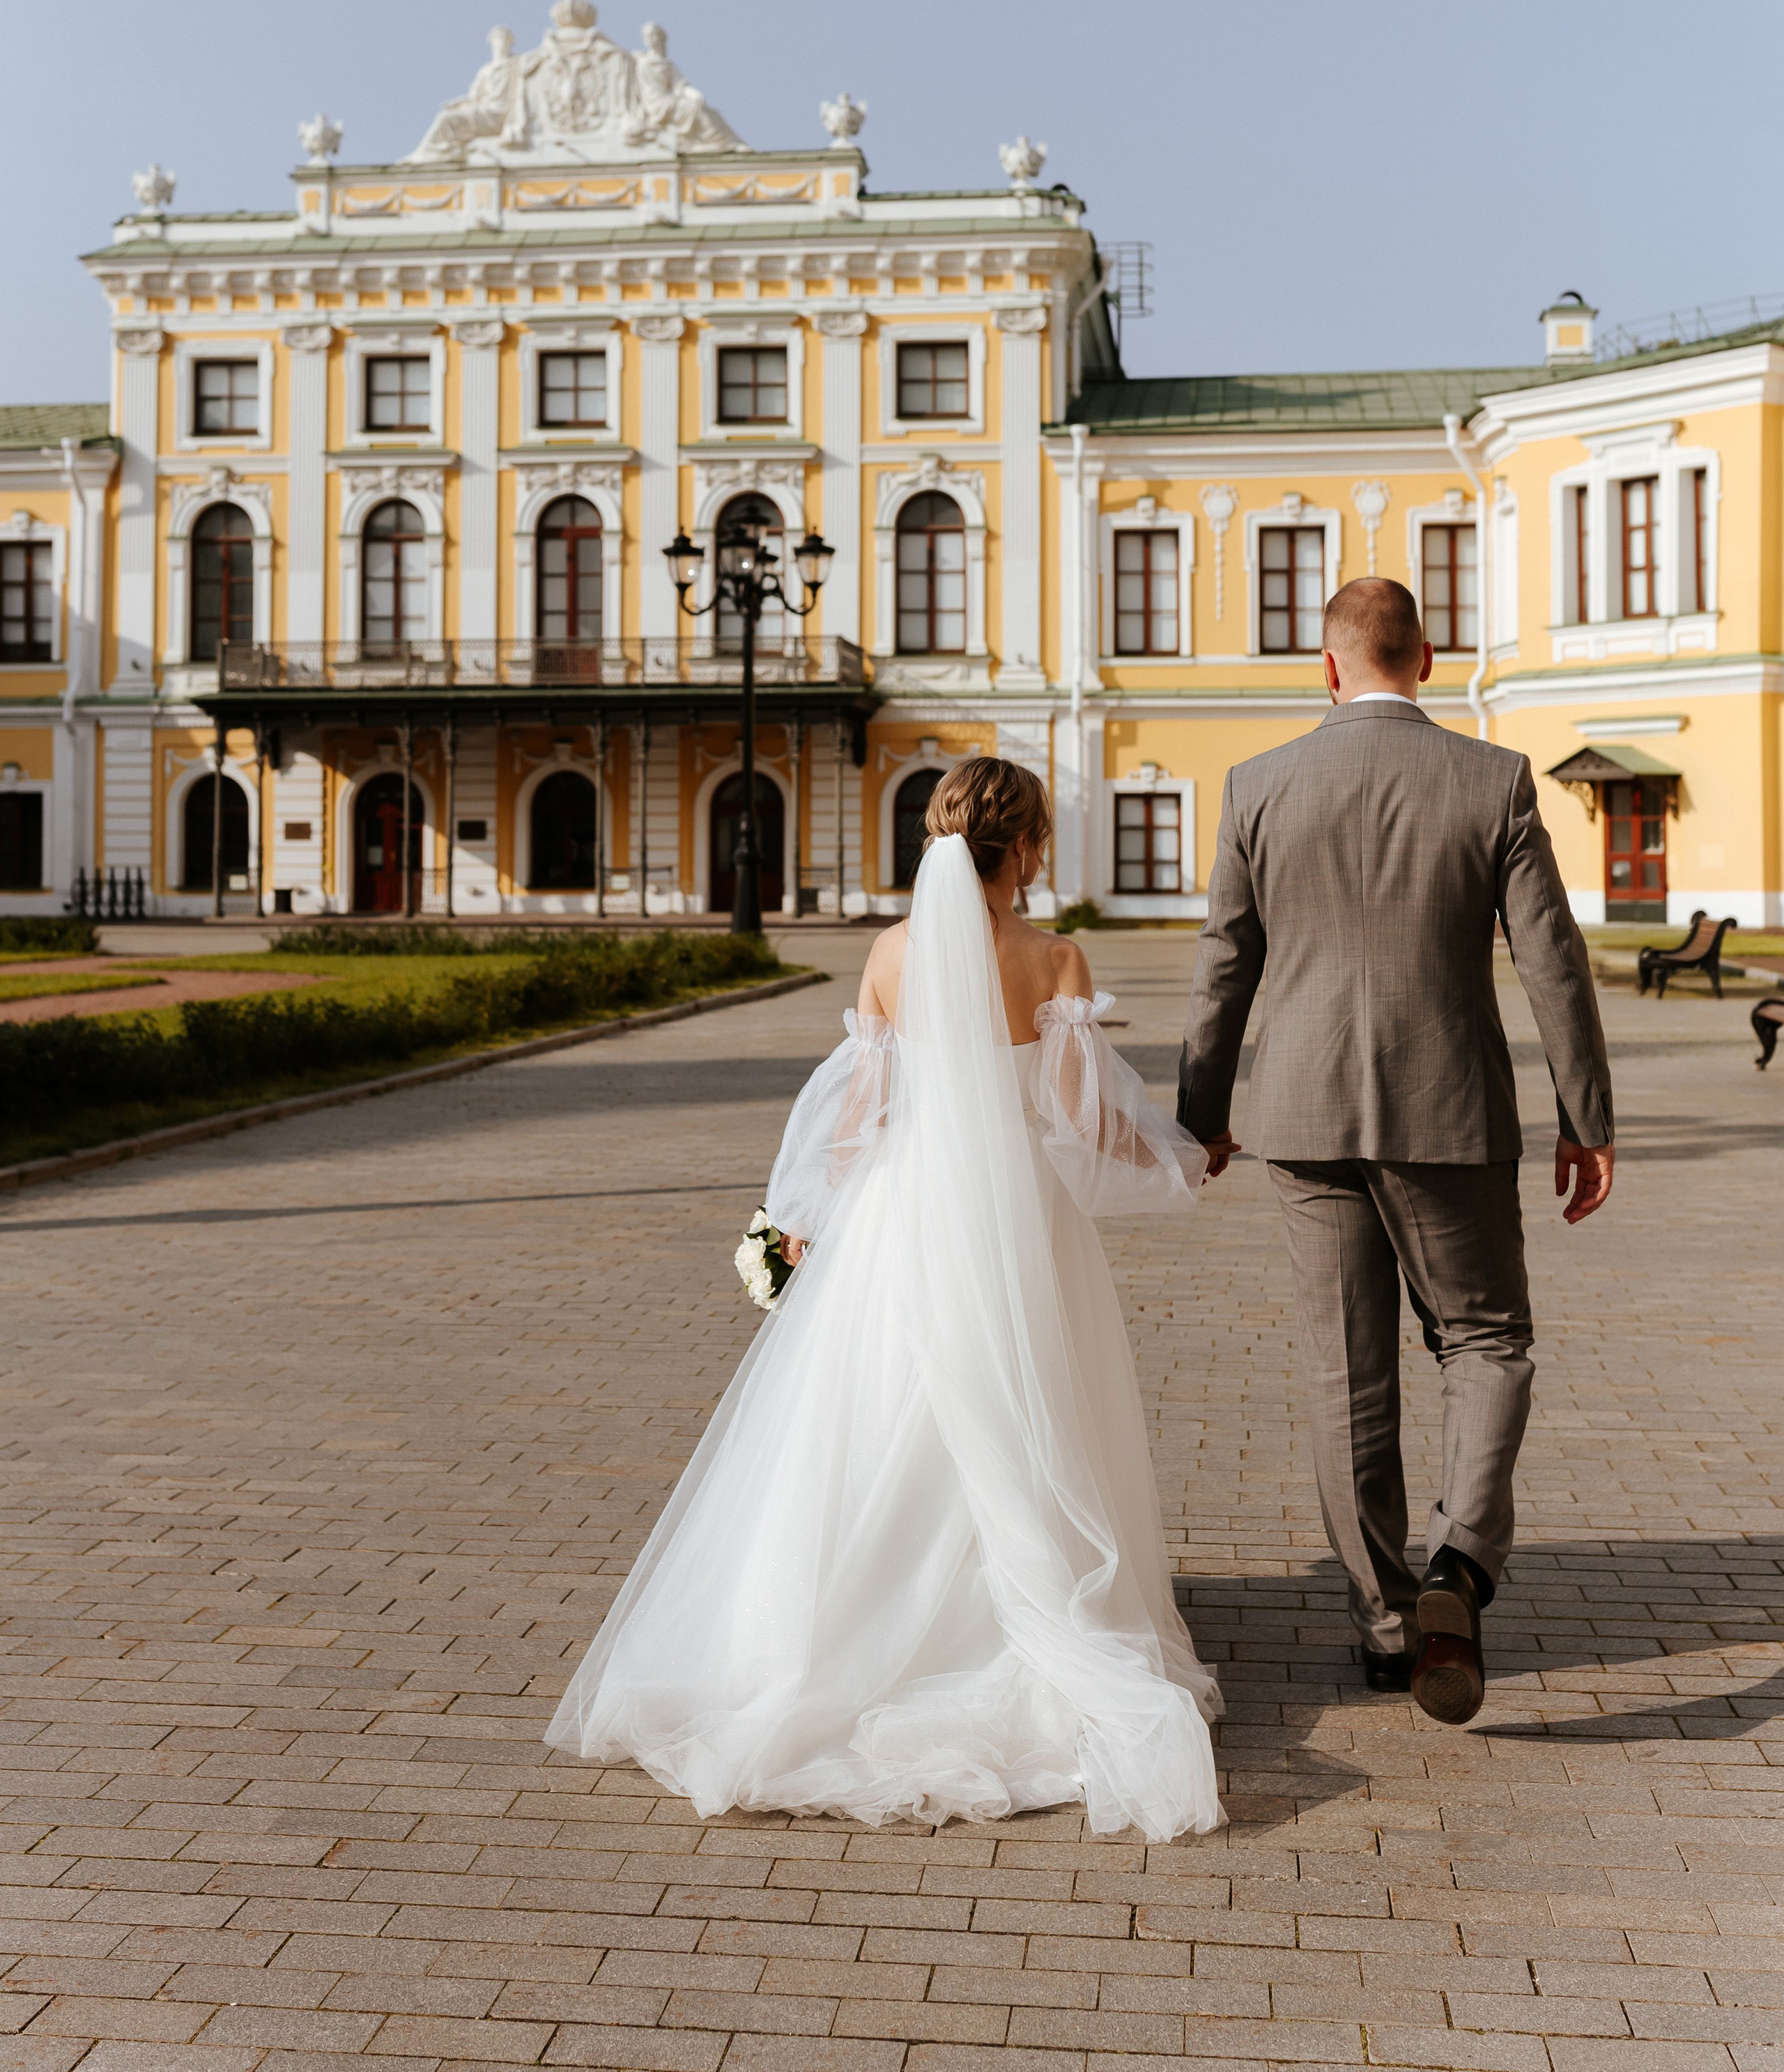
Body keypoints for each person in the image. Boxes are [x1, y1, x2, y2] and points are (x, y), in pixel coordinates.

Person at [547, 758, 1224, 1840]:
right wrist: (1181, 1157)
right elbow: (1082, 1123)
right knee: (1021, 1406)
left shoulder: (889, 955)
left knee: (874, 1415)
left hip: (900, 1218)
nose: (1045, 856)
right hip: (1014, 1220)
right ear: (1026, 848)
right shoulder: (1052, 959)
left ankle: (837, 1630)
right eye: (1042, 838)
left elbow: (859, 1111)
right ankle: (1011, 1620)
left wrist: (805, 1217)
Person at [1178, 576, 1613, 1725]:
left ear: (1328, 668)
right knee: (1488, 1339)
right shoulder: (1493, 778)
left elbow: (1226, 963)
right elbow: (1552, 961)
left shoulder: (1259, 786)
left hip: (1302, 1117)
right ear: (1425, 657)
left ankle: (1383, 1627)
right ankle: (1459, 1571)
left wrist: (1200, 1114)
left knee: (1346, 1373)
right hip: (1450, 1112)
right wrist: (1588, 1117)